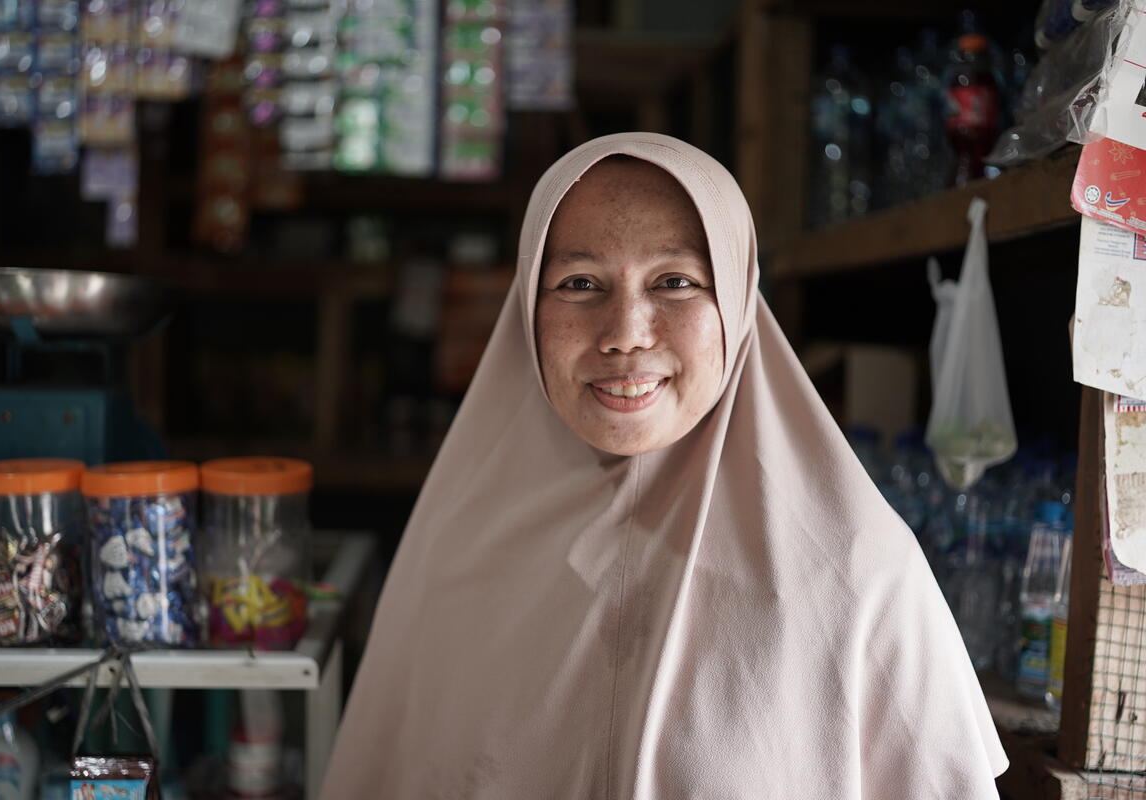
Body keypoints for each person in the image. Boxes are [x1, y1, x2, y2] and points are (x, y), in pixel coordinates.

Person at [321, 133, 1008, 798]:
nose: (625, 332)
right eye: (579, 282)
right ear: (527, 308)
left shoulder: (858, 572)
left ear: (736, 305)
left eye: (676, 281)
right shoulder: (457, 551)